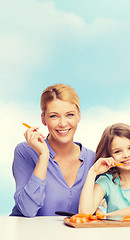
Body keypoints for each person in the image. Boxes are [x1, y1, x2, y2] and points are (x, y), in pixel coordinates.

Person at [10, 84, 95, 217]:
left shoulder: (93, 159)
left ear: (79, 115)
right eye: (54, 116)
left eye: (70, 115)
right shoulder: (25, 152)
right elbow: (28, 210)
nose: (62, 123)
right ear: (43, 119)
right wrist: (44, 156)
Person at [79, 123, 130, 216]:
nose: (126, 155)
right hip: (116, 230)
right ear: (109, 155)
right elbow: (84, 213)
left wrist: (105, 216)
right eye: (117, 151)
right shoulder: (107, 180)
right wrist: (92, 172)